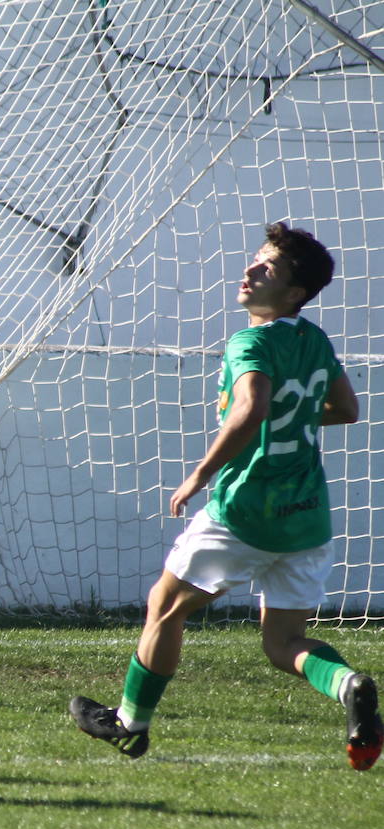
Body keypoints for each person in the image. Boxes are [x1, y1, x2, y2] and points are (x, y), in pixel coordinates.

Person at [70, 222, 382, 771]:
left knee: (164, 607)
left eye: (269, 267)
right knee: (284, 643)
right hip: (307, 518)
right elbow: (346, 409)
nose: (250, 270)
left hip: (246, 511)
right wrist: (293, 414)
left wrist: (200, 473)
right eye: (255, 260)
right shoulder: (313, 340)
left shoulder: (251, 341)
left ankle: (130, 724)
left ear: (292, 293)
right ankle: (349, 683)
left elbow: (251, 407)